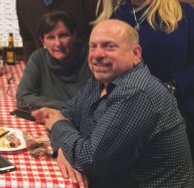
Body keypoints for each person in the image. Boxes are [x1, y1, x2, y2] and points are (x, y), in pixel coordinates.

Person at [33, 20, 194, 187]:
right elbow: (67, 113)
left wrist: (59, 127)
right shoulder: (102, 79)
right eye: (93, 46)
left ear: (136, 54)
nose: (97, 54)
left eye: (109, 46)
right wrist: (62, 150)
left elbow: (90, 160)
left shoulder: (136, 92)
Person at [95, 0, 194, 159]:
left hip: (181, 110)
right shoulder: (113, 21)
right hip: (131, 115)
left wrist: (175, 84)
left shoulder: (183, 13)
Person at [16, 11, 91, 111]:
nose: (58, 43)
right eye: (51, 37)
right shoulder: (38, 58)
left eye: (63, 35)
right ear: (43, 41)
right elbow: (22, 98)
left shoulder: (91, 60)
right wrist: (66, 107)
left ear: (74, 35)